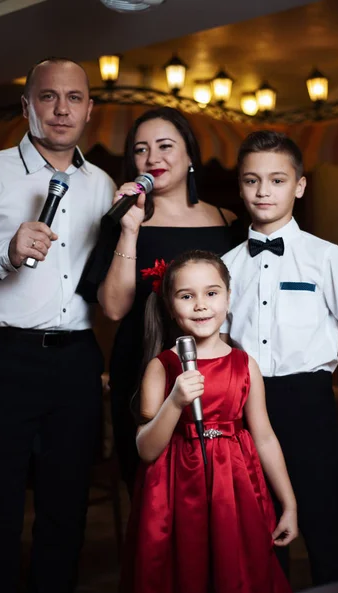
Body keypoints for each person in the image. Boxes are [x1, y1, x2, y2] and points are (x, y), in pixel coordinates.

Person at [220, 130, 338, 586]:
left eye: (277, 180)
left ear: (299, 185)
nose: (263, 191)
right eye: (252, 180)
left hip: (309, 405)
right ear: (240, 186)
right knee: (258, 535)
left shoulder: (325, 257)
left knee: (328, 532)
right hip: (243, 409)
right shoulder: (225, 265)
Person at [0, 57, 116, 593]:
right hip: (5, 358)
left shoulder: (103, 185)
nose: (62, 109)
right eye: (48, 97)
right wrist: (5, 254)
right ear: (27, 106)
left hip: (76, 362)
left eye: (74, 98)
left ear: (90, 108)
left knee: (65, 508)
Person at [78, 107, 243, 492]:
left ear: (189, 155)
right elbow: (115, 308)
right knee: (151, 494)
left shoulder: (228, 222)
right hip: (140, 365)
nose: (153, 158)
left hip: (215, 374)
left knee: (216, 486)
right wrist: (130, 230)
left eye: (165, 146)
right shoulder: (121, 221)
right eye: (140, 150)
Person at [118, 250, 298, 593]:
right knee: (185, 574)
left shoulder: (245, 364)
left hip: (234, 487)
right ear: (171, 306)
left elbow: (264, 437)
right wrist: (175, 402)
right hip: (176, 490)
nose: (201, 305)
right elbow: (146, 449)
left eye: (211, 293)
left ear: (229, 298)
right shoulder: (163, 365)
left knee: (237, 572)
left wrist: (288, 503)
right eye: (187, 296)